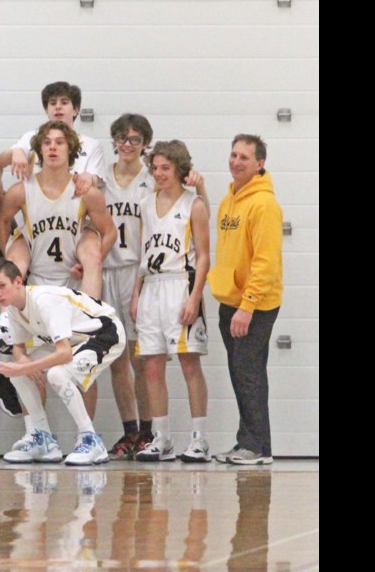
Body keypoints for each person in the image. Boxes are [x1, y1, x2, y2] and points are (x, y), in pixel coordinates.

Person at [0, 120, 115, 427]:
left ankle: (86, 435)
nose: (54, 147)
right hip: (37, 286)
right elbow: (2, 220)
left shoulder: (86, 192)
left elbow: (108, 232)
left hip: (72, 287)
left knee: (82, 370)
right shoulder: (22, 190)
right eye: (47, 143)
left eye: (60, 142)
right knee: (32, 369)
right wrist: (12, 253)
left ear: (71, 149)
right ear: (39, 149)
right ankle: (38, 435)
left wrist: (88, 262)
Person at [0, 259, 124, 466]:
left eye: (1, 286)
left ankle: (91, 439)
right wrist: (22, 364)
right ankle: (43, 439)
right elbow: (19, 347)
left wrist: (25, 366)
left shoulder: (44, 300)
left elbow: (64, 354)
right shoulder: (13, 308)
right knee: (18, 374)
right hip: (76, 340)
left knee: (57, 374)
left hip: (104, 333)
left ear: (18, 281)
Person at [128, 140, 212, 463]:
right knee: (151, 365)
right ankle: (161, 438)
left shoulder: (195, 205)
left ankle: (199, 439)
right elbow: (141, 254)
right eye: (156, 168)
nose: (159, 173)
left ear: (179, 169)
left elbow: (204, 257)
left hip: (181, 284)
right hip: (151, 287)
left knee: (190, 363)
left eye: (165, 167)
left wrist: (195, 296)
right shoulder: (146, 205)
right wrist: (136, 293)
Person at [208, 134, 283, 466]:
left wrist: (247, 306)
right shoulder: (229, 201)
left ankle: (252, 445)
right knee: (243, 372)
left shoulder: (264, 205)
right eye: (233, 154)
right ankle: (256, 445)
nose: (236, 161)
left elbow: (265, 262)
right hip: (231, 301)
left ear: (260, 164)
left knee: (247, 371)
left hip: (256, 305)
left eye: (244, 157)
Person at [0, 81, 107, 299]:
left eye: (64, 103)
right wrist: (16, 152)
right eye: (52, 103)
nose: (58, 107)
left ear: (75, 109)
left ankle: (88, 315)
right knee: (14, 264)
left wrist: (89, 177)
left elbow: (95, 182)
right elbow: (0, 162)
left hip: (73, 220)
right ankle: (7, 327)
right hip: (37, 219)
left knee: (91, 254)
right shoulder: (31, 138)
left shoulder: (91, 145)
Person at [100, 114, 155, 459]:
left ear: (145, 144)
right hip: (107, 271)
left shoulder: (154, 179)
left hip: (138, 271)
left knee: (141, 357)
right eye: (122, 138)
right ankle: (129, 430)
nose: (127, 144)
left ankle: (149, 431)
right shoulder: (101, 178)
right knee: (116, 357)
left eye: (135, 139)